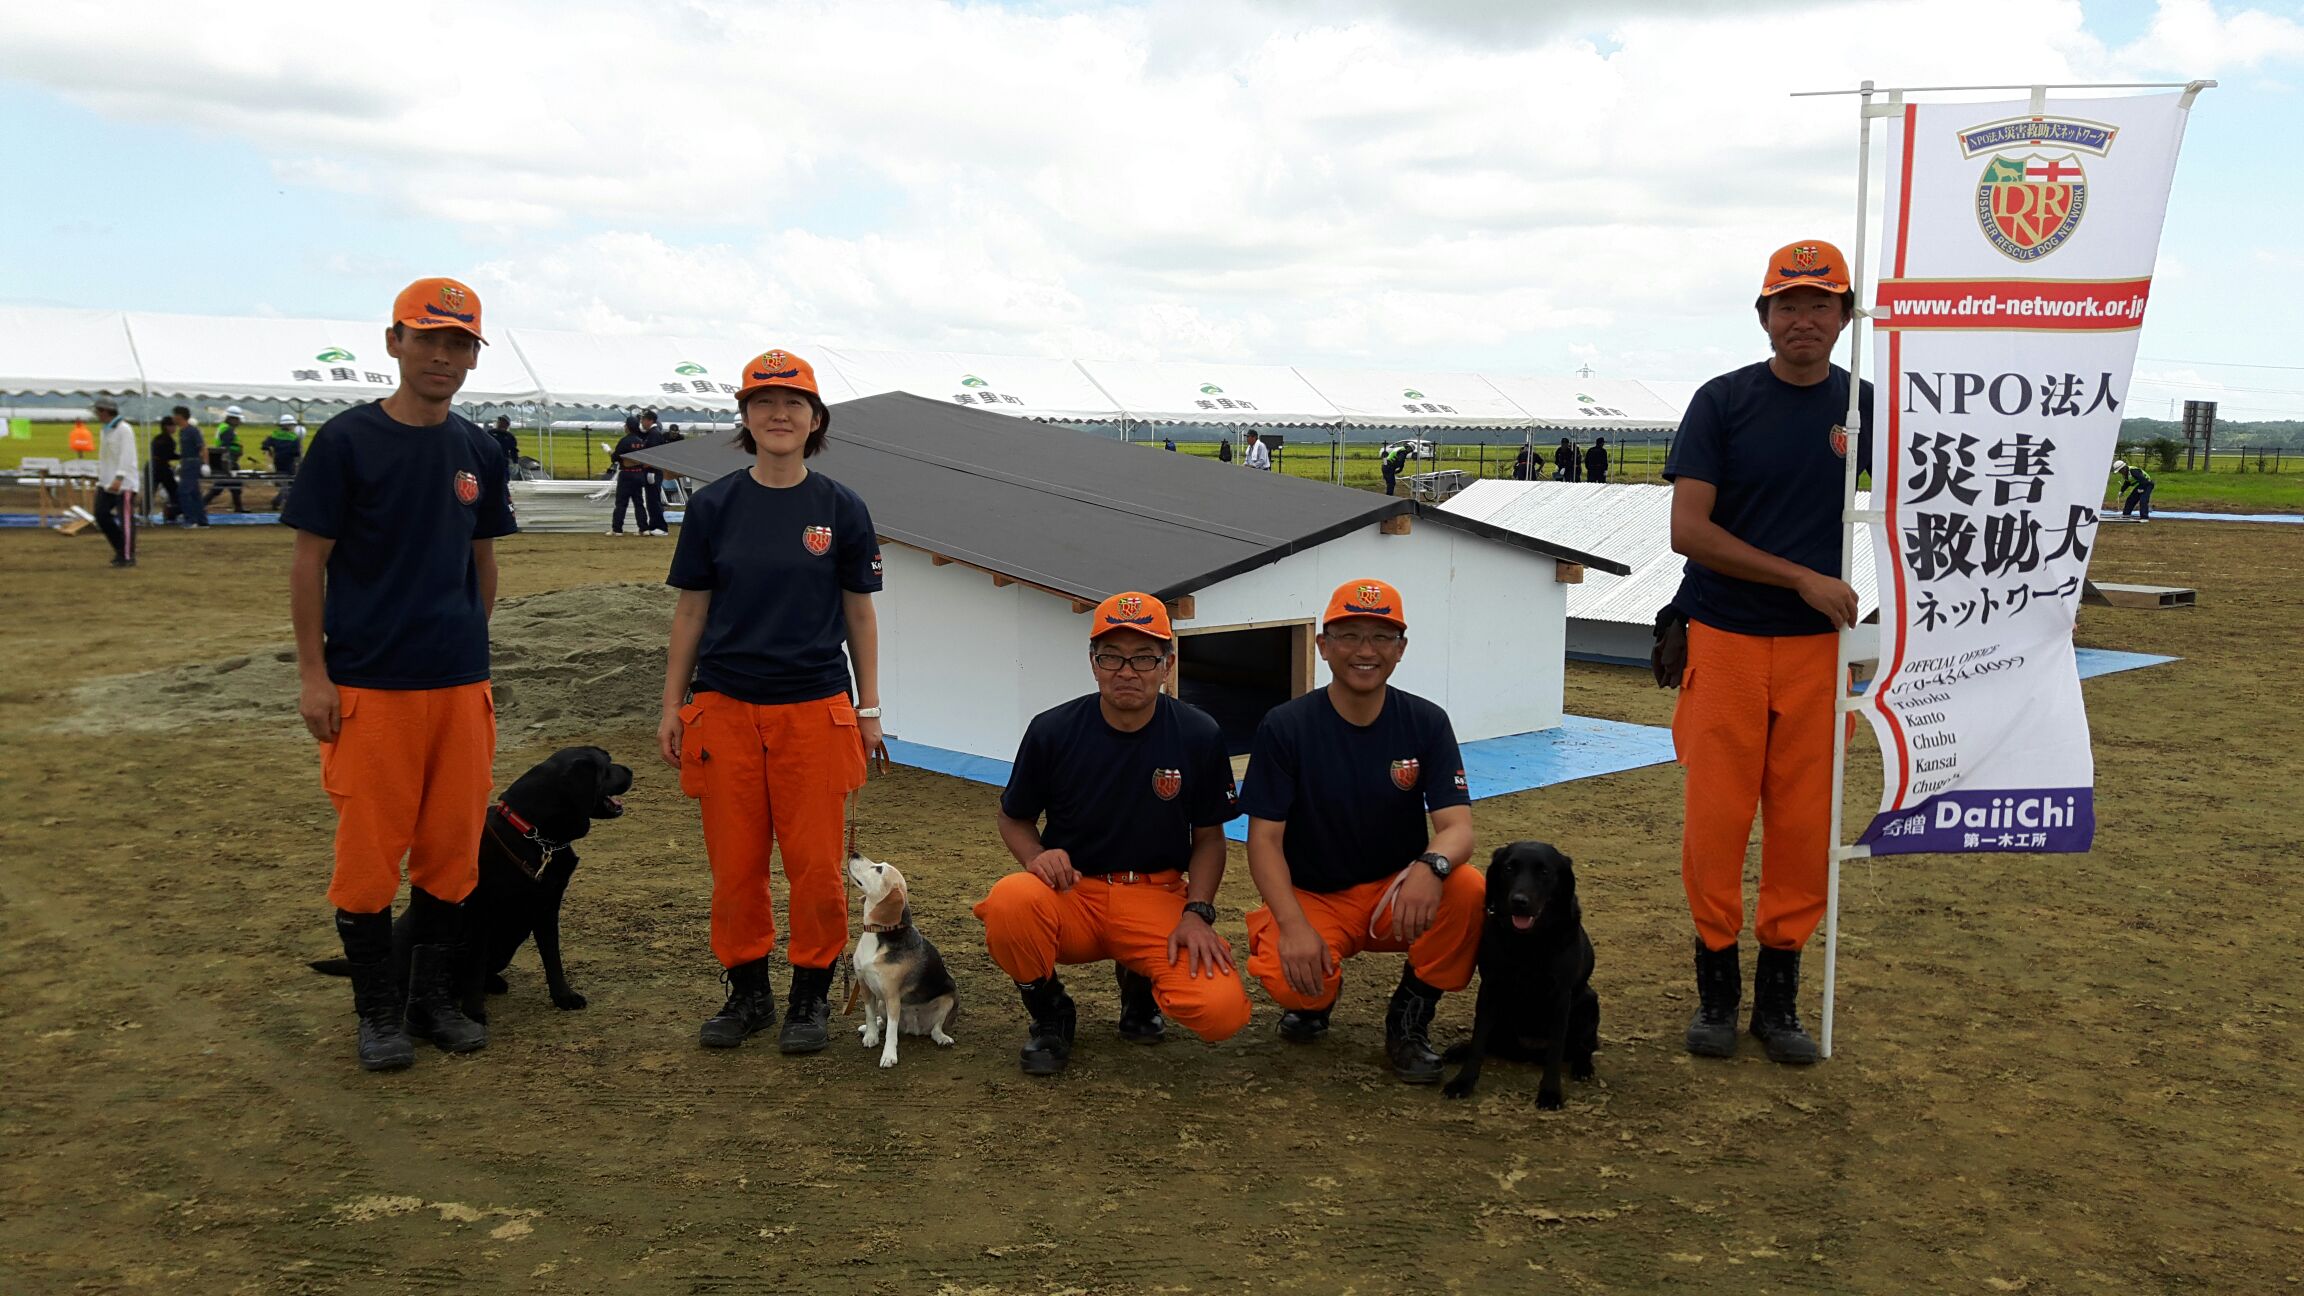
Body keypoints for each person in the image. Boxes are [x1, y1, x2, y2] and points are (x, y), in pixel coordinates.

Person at [283, 275, 515, 1072]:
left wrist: (468, 644)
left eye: (459, 344)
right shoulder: (347, 441)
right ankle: (377, 1012)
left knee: (452, 851)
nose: (442, 356)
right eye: (428, 339)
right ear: (395, 342)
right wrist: (314, 675)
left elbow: (483, 563)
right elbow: (308, 564)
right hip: (370, 687)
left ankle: (431, 998)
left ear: (473, 357)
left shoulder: (479, 450)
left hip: (458, 686)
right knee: (369, 858)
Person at [1663, 238, 1875, 1068]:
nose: (1803, 319)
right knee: (1717, 824)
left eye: (1821, 304)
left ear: (1845, 317)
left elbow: (1923, 508)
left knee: (1803, 825)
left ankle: (1779, 999)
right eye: (1788, 304)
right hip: (1726, 639)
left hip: (1822, 652)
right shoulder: (1722, 402)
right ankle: (1717, 992)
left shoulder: (1864, 408)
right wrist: (1800, 579)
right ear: (1764, 317)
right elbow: (1688, 530)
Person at [659, 348, 886, 1054]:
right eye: (764, 402)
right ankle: (747, 993)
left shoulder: (841, 507)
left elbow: (860, 615)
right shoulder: (714, 505)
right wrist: (671, 705)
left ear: (816, 420)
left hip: (814, 709)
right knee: (736, 867)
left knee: (815, 868)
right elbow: (692, 612)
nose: (779, 414)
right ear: (746, 417)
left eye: (794, 403)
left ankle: (809, 997)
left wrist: (869, 708)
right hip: (724, 707)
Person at [974, 592, 1250, 1075]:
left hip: (1155, 895)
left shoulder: (1198, 733)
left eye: (1143, 657)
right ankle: (1051, 1012)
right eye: (1112, 657)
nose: (1127, 671)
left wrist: (1198, 912)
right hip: (1072, 894)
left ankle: (1140, 987)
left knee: (1221, 1012)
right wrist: (1036, 856)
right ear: (1093, 662)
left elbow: (1209, 837)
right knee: (1010, 902)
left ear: (1167, 664)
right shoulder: (1053, 730)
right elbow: (1012, 817)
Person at [1240, 578, 1483, 1084]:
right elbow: (1263, 841)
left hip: (1396, 892)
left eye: (1381, 637)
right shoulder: (1286, 726)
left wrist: (1430, 866)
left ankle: (1409, 1018)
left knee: (1467, 888)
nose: (1365, 651)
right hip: (1315, 896)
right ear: (1323, 645)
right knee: (1293, 982)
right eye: (1349, 636)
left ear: (1401, 648)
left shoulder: (1426, 721)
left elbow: (1457, 827)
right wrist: (1293, 925)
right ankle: (1315, 1001)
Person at [91, 396, 139, 568]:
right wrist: (102, 478)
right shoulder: (105, 430)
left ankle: (127, 555)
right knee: (101, 514)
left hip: (124, 483)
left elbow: (127, 455)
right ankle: (122, 547)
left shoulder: (124, 429)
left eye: (98, 411)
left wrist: (119, 477)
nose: (96, 415)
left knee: (125, 519)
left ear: (105, 411)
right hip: (106, 481)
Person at [609, 415, 653, 535]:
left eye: (625, 425)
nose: (624, 427)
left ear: (628, 427)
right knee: (639, 503)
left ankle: (617, 529)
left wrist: (609, 451)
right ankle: (644, 528)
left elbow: (615, 458)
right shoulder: (641, 442)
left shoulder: (624, 441)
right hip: (639, 474)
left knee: (621, 503)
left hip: (626, 475)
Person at [203, 406, 248, 513]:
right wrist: (236, 451)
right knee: (219, 486)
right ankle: (201, 504)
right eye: (238, 419)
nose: (239, 422)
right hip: (228, 461)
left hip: (227, 461)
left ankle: (238, 507)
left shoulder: (224, 428)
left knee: (235, 484)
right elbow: (225, 447)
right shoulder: (227, 430)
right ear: (232, 419)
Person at [174, 405, 209, 527]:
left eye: (175, 415)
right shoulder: (182, 431)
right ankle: (202, 520)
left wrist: (205, 464)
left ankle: (191, 519)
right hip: (186, 463)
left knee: (184, 492)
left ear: (180, 416)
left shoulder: (192, 431)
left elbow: (202, 447)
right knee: (195, 493)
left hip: (192, 463)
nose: (173, 418)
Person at [638, 408, 670, 534]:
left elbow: (653, 456)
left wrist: (644, 466)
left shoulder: (654, 434)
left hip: (653, 471)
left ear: (650, 420)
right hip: (651, 471)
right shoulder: (651, 433)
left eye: (643, 419)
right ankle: (653, 525)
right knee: (651, 500)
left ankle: (661, 527)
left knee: (654, 500)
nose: (642, 422)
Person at [148, 415, 182, 523]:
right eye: (173, 426)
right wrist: (182, 456)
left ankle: (143, 514)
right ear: (167, 427)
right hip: (162, 469)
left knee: (150, 493)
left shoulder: (157, 438)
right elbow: (169, 455)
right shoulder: (169, 441)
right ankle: (172, 513)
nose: (175, 428)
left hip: (152, 466)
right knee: (174, 491)